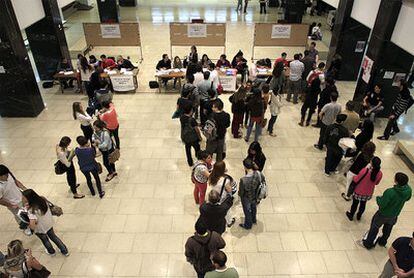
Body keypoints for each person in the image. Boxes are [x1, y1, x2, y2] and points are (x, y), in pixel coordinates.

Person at [360, 172, 412, 249]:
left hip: (383, 214)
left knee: (374, 227)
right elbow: (407, 198)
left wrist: (378, 198)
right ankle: (383, 241)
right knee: (388, 228)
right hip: (395, 214)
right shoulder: (408, 190)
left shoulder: (390, 192)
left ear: (396, 181)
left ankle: (368, 243)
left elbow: (382, 204)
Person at [22, 189, 69, 256]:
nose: (22, 198)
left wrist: (28, 226)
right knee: (53, 237)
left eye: (23, 197)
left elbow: (32, 225)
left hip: (40, 228)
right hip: (48, 223)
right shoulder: (42, 199)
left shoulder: (31, 210)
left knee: (45, 240)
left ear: (28, 198)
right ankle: (64, 250)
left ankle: (51, 252)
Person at [345, 156, 382, 221]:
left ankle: (351, 215)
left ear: (371, 163)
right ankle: (359, 216)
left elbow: (356, 179)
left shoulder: (365, 170)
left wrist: (354, 177)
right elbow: (377, 183)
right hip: (368, 193)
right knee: (363, 204)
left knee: (355, 204)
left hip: (358, 191)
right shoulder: (380, 174)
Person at [0, 165, 31, 235]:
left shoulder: (8, 174)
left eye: (8, 174)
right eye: (5, 175)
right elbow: (0, 199)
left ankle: (32, 223)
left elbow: (16, 181)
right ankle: (25, 228)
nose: (7, 176)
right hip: (13, 204)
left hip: (21, 197)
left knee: (28, 211)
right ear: (0, 176)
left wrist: (24, 189)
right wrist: (10, 205)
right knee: (20, 216)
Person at [207, 161, 236, 227]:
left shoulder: (211, 175)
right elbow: (229, 190)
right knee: (227, 210)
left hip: (214, 194)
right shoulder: (225, 180)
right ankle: (229, 222)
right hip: (222, 197)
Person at [239, 158, 264, 230]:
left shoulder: (243, 180)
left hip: (246, 198)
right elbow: (262, 181)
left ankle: (248, 225)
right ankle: (254, 219)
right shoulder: (258, 173)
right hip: (256, 195)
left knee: (247, 211)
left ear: (245, 167)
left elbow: (241, 192)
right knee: (254, 207)